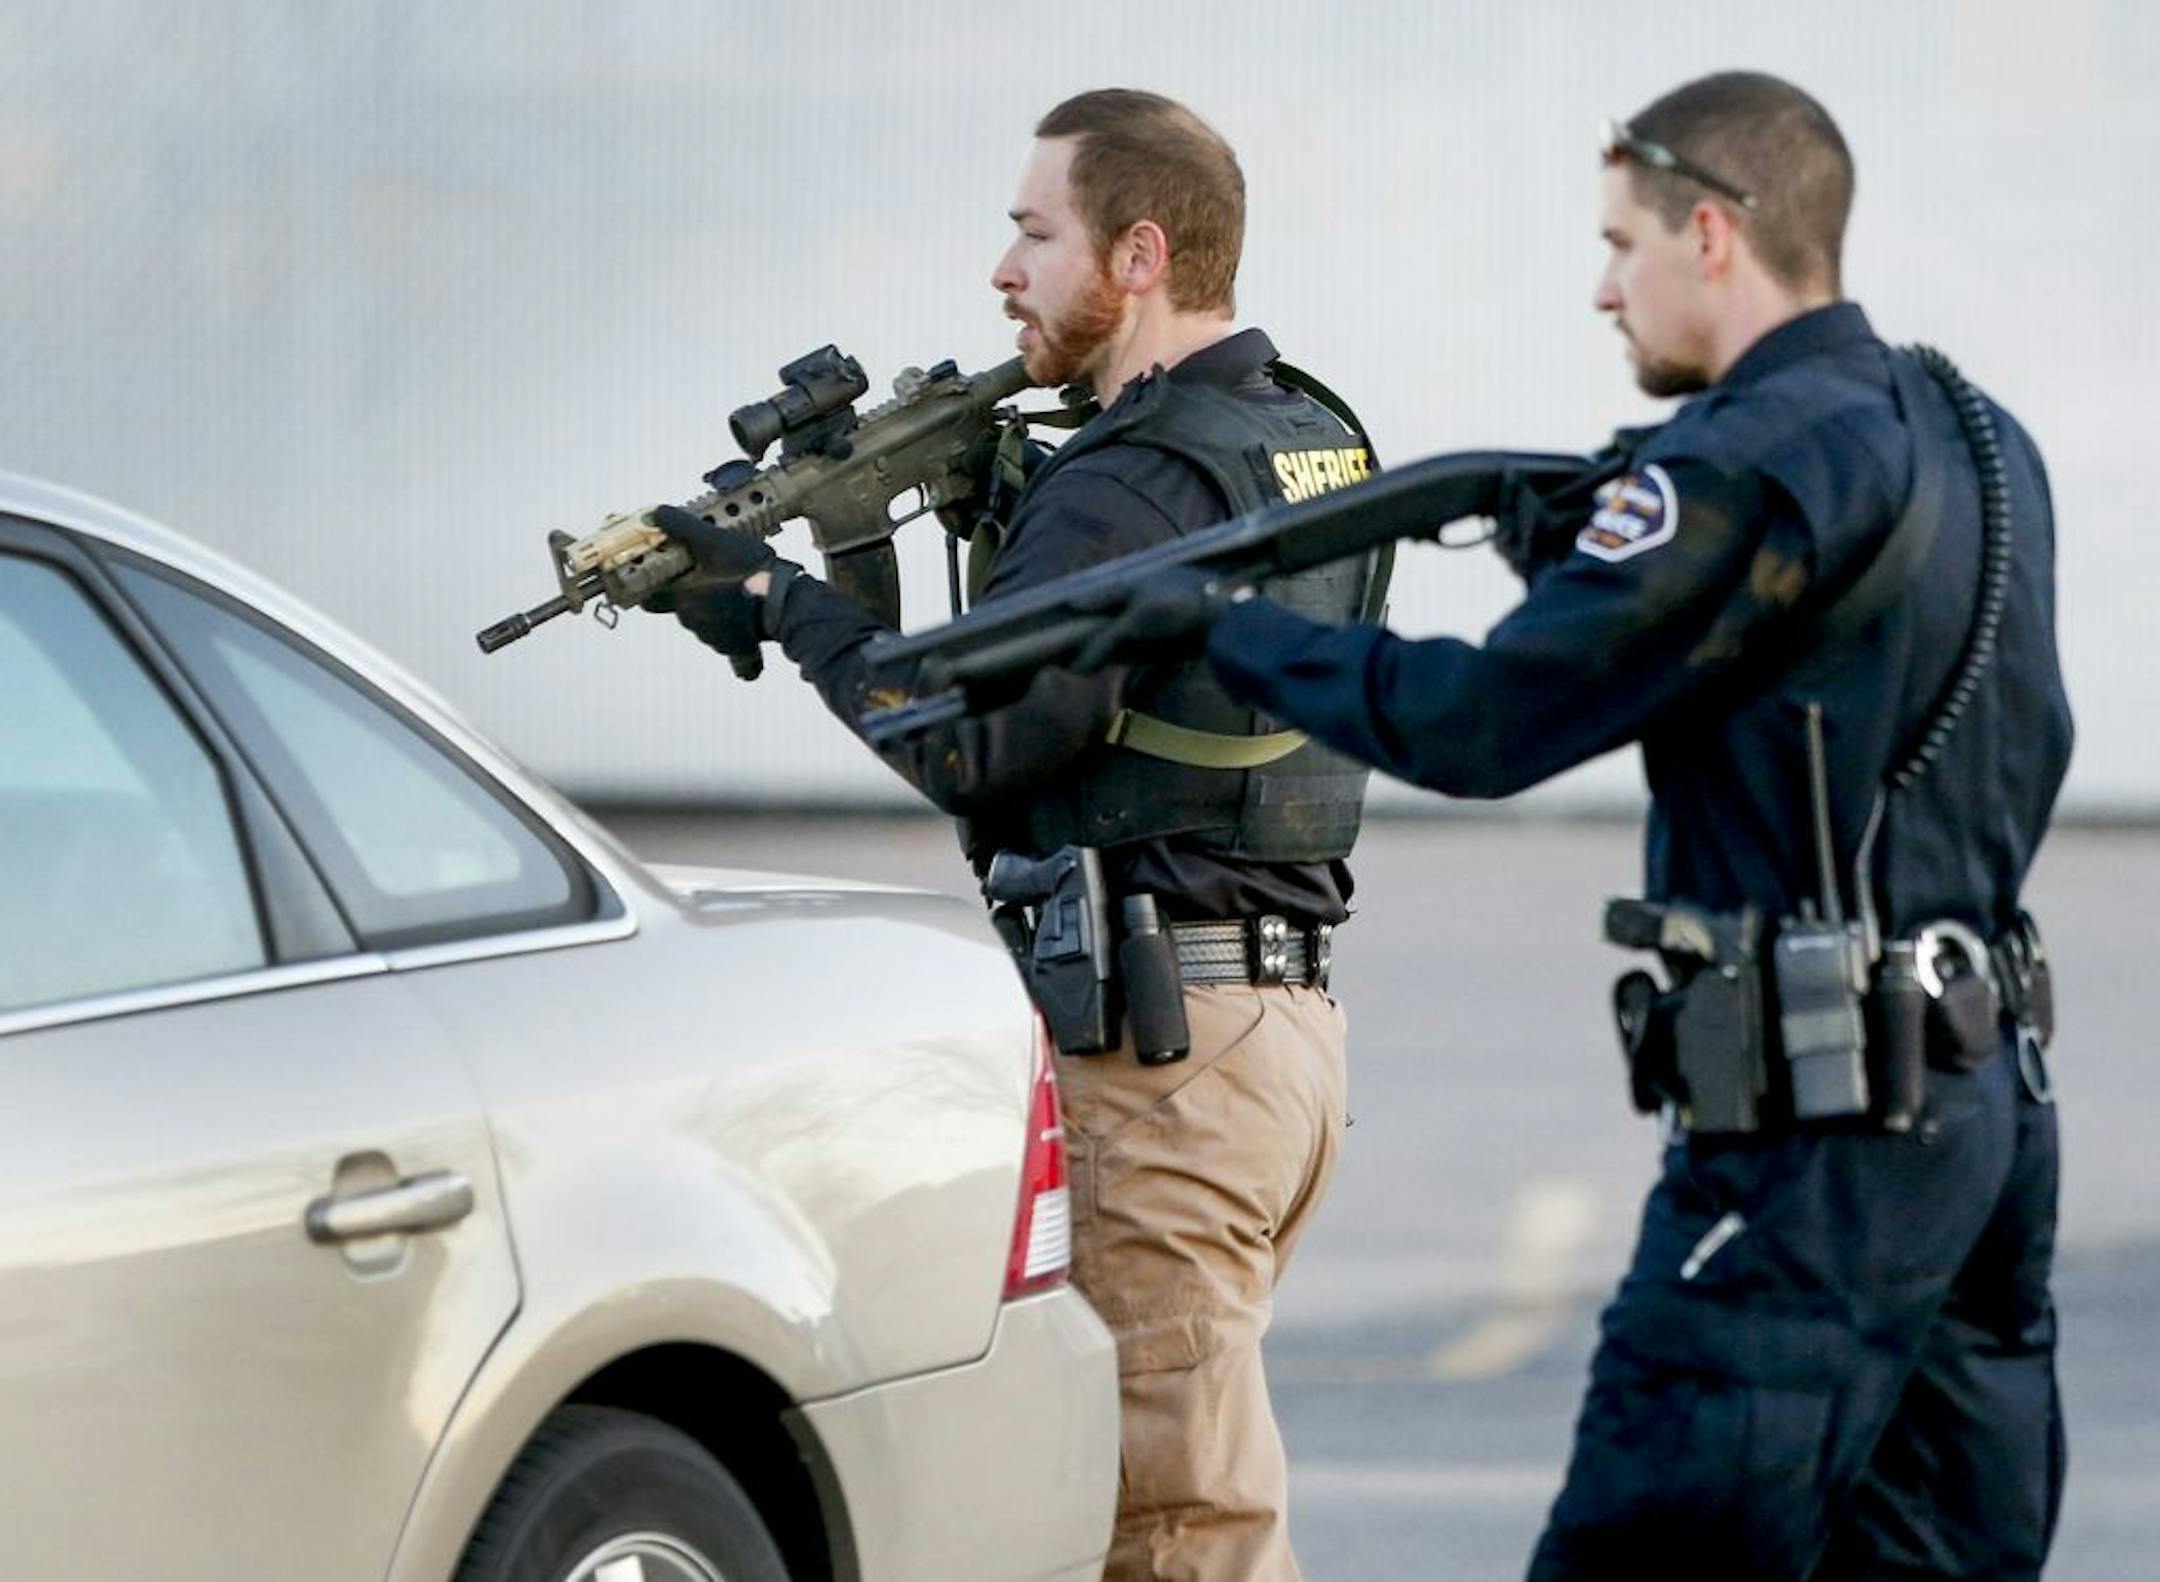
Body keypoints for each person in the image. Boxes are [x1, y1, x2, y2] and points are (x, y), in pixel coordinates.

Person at [1080, 70, 2073, 1580]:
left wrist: (1227, 629)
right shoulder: (1973, 431)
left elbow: (1484, 723)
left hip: (1811, 1141)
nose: (1602, 290)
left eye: (1622, 246)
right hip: (1987, 1110)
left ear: (1715, 234)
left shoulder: (1737, 459)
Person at [649, 89, 1384, 1581]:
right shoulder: (1306, 431)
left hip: (1161, 1064)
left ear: (1138, 257)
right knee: (1169, 1497)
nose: (1002, 274)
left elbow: (973, 744)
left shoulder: (1122, 486)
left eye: (1033, 233)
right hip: (1277, 1039)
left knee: (1174, 1526)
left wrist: (790, 607)